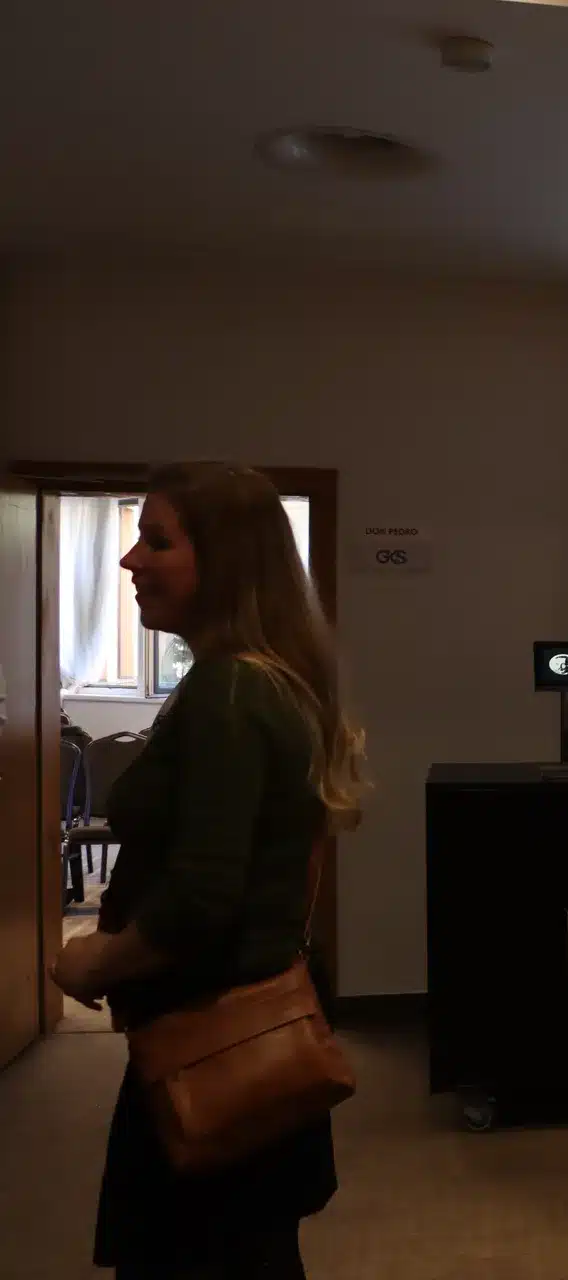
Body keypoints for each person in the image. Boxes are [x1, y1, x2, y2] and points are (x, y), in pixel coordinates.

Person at [50, 462, 364, 1279]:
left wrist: (93, 962)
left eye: (157, 541)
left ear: (224, 561)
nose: (131, 561)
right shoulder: (261, 682)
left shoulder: (231, 691)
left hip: (214, 1048)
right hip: (226, 1037)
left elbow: (202, 896)